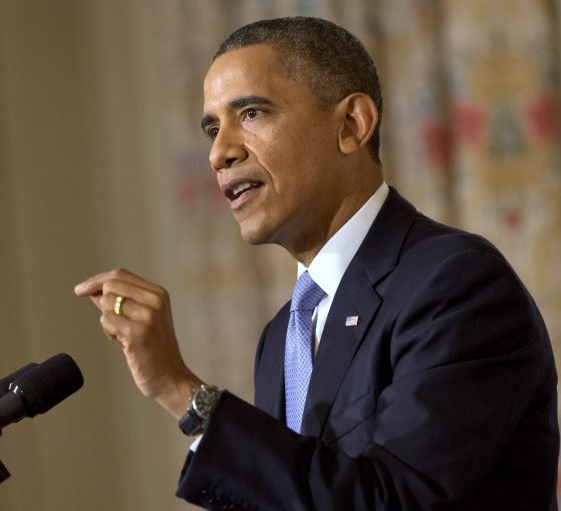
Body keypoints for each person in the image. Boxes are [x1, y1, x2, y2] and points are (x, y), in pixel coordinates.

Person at [74, 16, 559, 510]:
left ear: (351, 125)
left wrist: (182, 391)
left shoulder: (455, 283)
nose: (220, 153)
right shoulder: (281, 336)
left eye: (251, 113)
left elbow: (394, 500)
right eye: (212, 129)